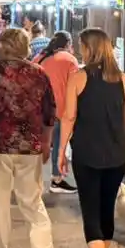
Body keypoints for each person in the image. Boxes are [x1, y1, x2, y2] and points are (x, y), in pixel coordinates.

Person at [0, 28, 57, 248]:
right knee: (33, 201)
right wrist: (46, 142)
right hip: (30, 145)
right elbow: (50, 113)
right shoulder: (39, 73)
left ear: (2, 46)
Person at [60, 28, 125, 248]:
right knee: (105, 211)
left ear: (89, 48)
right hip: (116, 155)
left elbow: (69, 117)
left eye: (82, 46)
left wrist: (61, 152)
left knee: (90, 212)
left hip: (87, 154)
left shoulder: (78, 78)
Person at [35, 31, 79, 194]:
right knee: (59, 146)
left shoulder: (39, 58)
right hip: (59, 109)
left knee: (37, 145)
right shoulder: (69, 60)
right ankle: (57, 179)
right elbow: (75, 86)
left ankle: (31, 180)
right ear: (68, 44)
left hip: (37, 108)